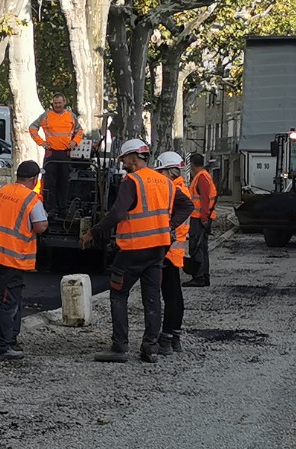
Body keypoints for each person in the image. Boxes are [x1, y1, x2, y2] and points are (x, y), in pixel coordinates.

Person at [81, 139, 193, 363]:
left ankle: (120, 347)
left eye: (123, 158)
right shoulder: (165, 182)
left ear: (132, 159)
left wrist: (92, 233)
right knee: (152, 298)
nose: (122, 162)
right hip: (158, 250)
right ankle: (150, 347)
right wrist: (168, 226)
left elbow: (117, 213)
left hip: (133, 249)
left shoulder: (132, 181)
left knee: (119, 294)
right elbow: (187, 205)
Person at [0, 160, 48, 362]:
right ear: (34, 179)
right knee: (7, 303)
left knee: (12, 300)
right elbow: (40, 226)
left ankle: (11, 340)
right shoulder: (31, 199)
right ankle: (0, 347)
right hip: (12, 258)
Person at [153, 151, 191, 355]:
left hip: (168, 250)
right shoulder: (180, 188)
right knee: (174, 295)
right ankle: (174, 337)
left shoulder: (174, 190)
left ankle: (166, 338)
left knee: (170, 296)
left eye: (161, 172)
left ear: (169, 171)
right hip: (174, 251)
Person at [29, 94, 84, 216]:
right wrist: (41, 142)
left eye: (59, 103)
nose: (57, 105)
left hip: (65, 154)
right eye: (55, 103)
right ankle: (51, 209)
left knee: (64, 182)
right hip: (51, 154)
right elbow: (32, 128)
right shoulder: (46, 116)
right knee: (50, 183)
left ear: (64, 102)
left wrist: (75, 142)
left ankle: (63, 208)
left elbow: (80, 130)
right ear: (52, 103)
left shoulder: (70, 116)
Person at [185, 153, 217, 287]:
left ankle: (199, 277)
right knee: (202, 248)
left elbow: (204, 200)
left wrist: (204, 218)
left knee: (197, 248)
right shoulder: (205, 176)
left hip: (199, 219)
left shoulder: (201, 178)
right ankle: (204, 276)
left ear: (192, 165)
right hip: (202, 218)